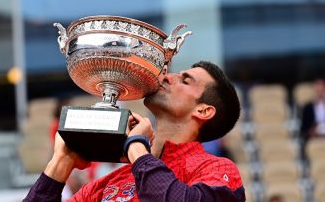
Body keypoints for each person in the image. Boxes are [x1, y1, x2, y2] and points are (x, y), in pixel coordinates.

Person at [23, 61, 245, 201]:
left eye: (184, 80)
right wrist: (60, 163)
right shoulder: (106, 185)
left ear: (204, 110)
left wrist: (137, 147)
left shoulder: (217, 170)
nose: (167, 76)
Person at [300, 78, 325, 154]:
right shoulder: (307, 107)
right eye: (317, 86)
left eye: (321, 87)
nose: (319, 90)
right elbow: (303, 129)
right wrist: (311, 131)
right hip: (313, 138)